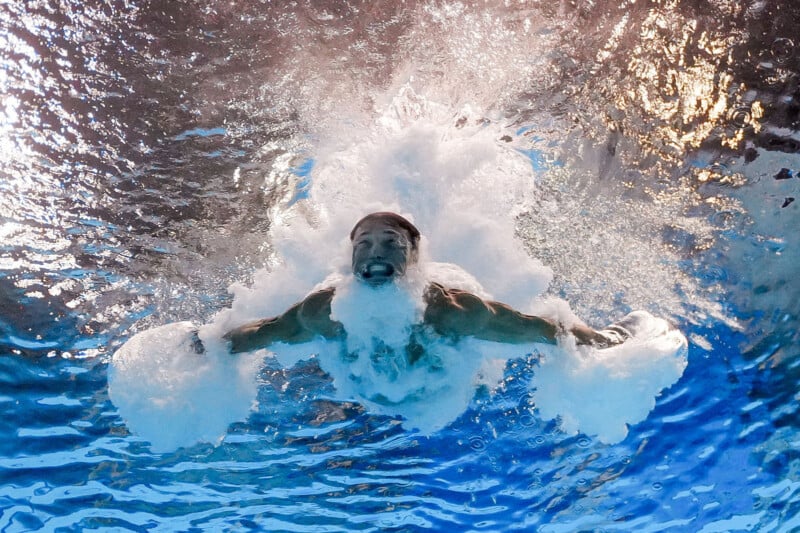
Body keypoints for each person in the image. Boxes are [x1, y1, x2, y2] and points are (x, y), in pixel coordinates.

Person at [223, 212, 634, 355]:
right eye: (363, 244)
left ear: (414, 255)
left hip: (436, 395)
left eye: (390, 243)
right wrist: (208, 344)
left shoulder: (454, 313)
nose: (374, 253)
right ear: (349, 260)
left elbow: (542, 330)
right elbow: (267, 330)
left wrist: (603, 339)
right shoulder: (324, 311)